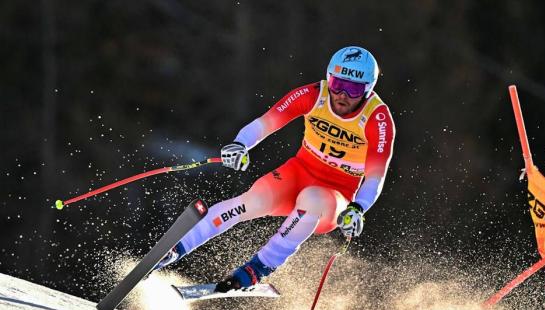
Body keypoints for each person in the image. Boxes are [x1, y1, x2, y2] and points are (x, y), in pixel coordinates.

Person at [156, 46, 395, 292]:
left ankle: (258, 267)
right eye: (337, 84)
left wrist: (358, 208)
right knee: (252, 200)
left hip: (336, 195)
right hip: (299, 172)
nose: (342, 95)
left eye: (353, 89)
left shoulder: (377, 119)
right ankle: (176, 248)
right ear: (329, 77)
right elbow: (266, 122)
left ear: (368, 90)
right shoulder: (314, 94)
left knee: (312, 199)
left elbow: (376, 176)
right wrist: (240, 145)